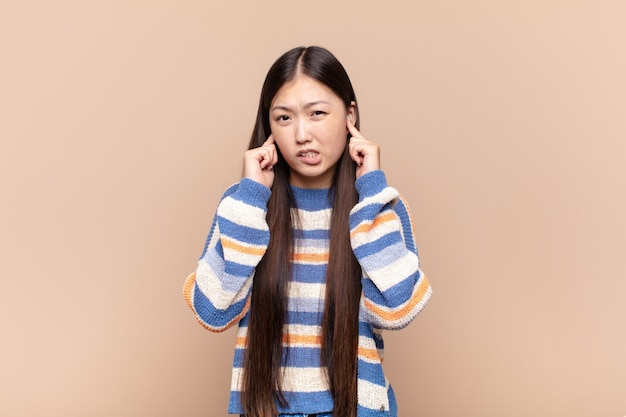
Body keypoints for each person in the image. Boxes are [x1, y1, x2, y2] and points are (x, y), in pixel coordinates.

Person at [183, 46, 432, 417]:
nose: (302, 134)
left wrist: (373, 188)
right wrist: (252, 195)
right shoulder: (245, 207)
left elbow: (398, 309)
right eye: (284, 118)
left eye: (317, 113)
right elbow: (211, 309)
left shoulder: (377, 206)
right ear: (269, 128)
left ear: (349, 115)